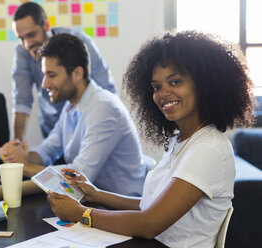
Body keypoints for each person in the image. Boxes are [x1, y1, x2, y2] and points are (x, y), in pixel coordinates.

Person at [47, 30, 256, 247]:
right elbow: (152, 206)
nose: (163, 93)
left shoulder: (208, 149)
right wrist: (96, 195)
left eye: (175, 82)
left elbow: (149, 223)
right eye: (157, 87)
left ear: (204, 85)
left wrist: (82, 213)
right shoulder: (180, 140)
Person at [0, 33, 146, 197]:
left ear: (77, 73)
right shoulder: (72, 104)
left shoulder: (103, 108)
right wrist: (20, 156)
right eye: (44, 74)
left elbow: (79, 176)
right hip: (92, 203)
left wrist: (23, 167)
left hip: (121, 210)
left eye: (52, 75)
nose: (44, 84)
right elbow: (48, 149)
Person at [12, 1, 116, 140]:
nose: (27, 44)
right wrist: (17, 144)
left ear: (46, 25)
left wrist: (104, 130)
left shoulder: (79, 43)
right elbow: (22, 101)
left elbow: (107, 90)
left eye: (31, 35)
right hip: (52, 126)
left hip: (87, 125)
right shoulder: (23, 51)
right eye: (21, 38)